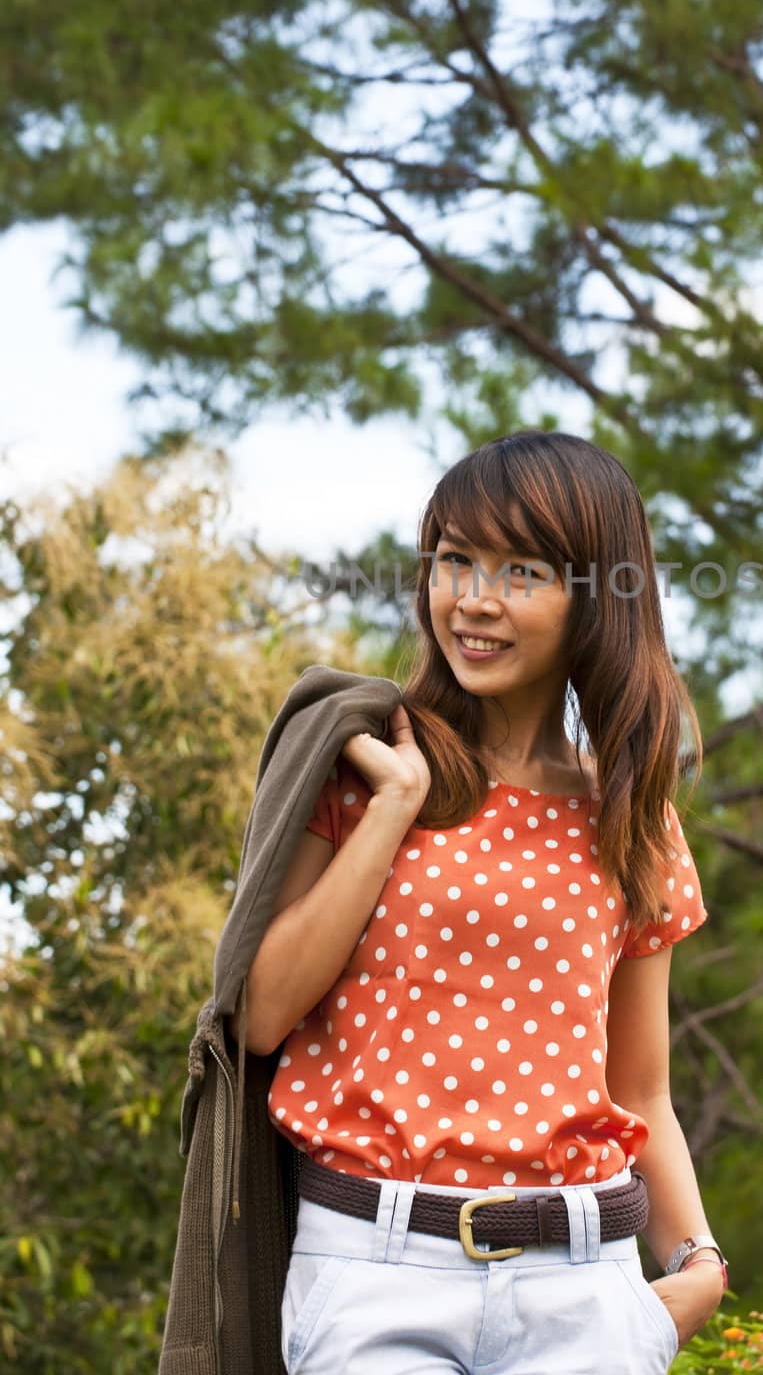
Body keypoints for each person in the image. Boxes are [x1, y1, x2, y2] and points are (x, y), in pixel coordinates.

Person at [245, 429, 727, 1373]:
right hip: (375, 1270)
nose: (473, 599)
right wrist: (394, 808)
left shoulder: (633, 819)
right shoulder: (359, 759)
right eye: (454, 560)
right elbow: (262, 1013)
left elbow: (639, 1090)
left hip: (581, 1286)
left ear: (593, 596)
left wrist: (699, 1262)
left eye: (520, 571)